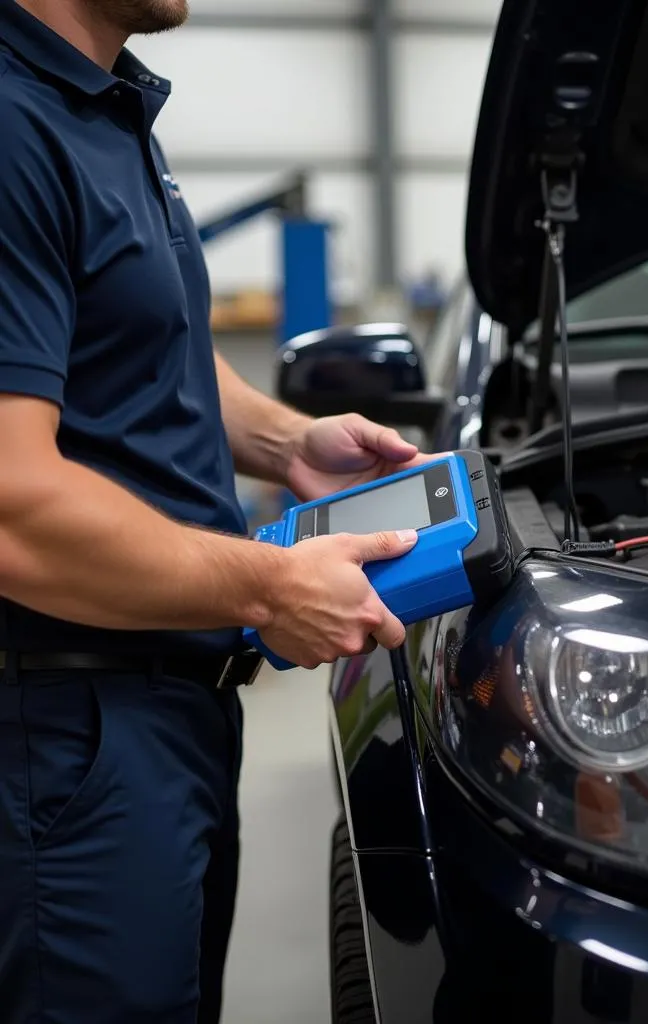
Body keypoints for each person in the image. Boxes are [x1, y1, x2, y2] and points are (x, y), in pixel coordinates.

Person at [0, 0, 427, 1020]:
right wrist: (269, 582)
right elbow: (10, 505)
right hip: (68, 730)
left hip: (164, 710)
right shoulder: (13, 126)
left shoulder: (101, 111)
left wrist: (289, 444)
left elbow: (136, 344)